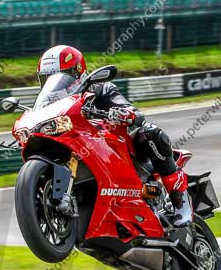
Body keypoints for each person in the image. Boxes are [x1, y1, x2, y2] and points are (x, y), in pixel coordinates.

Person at [35, 44, 192, 226]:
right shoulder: (49, 107)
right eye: (47, 80)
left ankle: (180, 200)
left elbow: (129, 109)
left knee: (150, 132)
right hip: (79, 147)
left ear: (77, 72)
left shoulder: (99, 89)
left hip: (115, 147)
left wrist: (124, 113)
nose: (54, 84)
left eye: (61, 78)